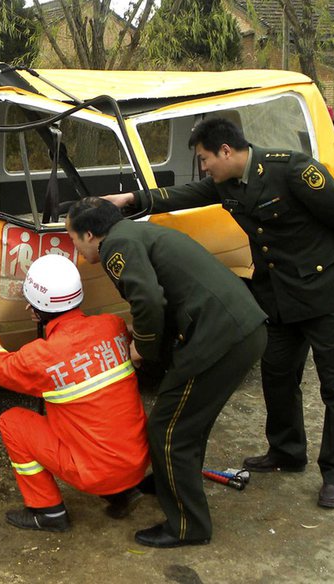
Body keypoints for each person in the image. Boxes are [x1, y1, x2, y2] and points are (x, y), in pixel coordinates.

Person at [103, 117, 334, 511]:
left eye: (205, 158)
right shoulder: (228, 183)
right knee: (277, 375)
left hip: (329, 291)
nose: (204, 167)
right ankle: (287, 450)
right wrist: (133, 201)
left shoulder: (291, 169)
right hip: (280, 297)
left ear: (226, 151)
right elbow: (188, 194)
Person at [65, 197, 267, 549]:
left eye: (74, 239)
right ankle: (167, 482)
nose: (76, 248)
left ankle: (189, 526)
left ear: (89, 234)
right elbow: (165, 294)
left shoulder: (117, 245)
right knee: (188, 421)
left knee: (167, 427)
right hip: (239, 329)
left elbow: (148, 300)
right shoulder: (135, 233)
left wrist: (141, 347)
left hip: (220, 338)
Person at [0, 254, 149, 533]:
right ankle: (122, 492)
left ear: (33, 311)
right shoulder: (112, 326)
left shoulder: (40, 357)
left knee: (12, 422)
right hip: (138, 462)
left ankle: (47, 512)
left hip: (95, 474)